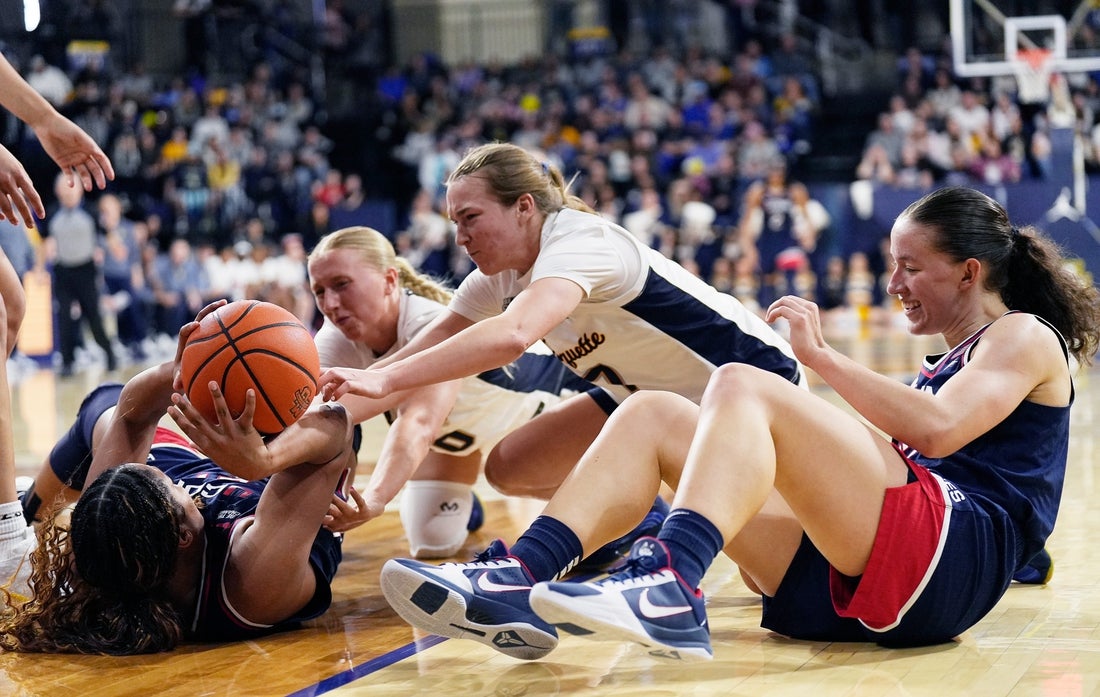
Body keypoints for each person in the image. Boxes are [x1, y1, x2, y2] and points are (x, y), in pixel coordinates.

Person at [375, 186, 1100, 662]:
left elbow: (939, 431)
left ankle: (670, 580)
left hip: (950, 563)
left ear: (970, 273)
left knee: (741, 380)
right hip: (879, 579)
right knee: (652, 410)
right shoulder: (953, 355)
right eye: (891, 265)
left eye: (909, 267)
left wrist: (818, 358)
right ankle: (521, 573)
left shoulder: (1024, 335)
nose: (893, 284)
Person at [318, 143, 805, 510]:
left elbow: (513, 335)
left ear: (524, 206)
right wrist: (285, 431)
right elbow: (418, 354)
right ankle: (632, 527)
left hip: (753, 385)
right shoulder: (496, 277)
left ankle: (638, 526)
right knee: (511, 467)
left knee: (773, 568)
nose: (461, 237)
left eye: (470, 218)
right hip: (646, 399)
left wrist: (382, 376)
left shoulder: (579, 239)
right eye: (454, 223)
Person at [1, 301, 353, 654]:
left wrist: (180, 372)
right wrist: (262, 461)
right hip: (288, 470)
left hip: (191, 477)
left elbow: (132, 415)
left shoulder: (104, 541)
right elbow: (337, 426)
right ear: (184, 534)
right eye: (169, 483)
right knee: (339, 390)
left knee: (106, 406)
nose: (168, 478)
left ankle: (23, 512)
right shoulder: (250, 582)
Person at [308, 225, 604, 559]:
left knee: (509, 475)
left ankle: (627, 507)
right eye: (319, 291)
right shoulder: (335, 338)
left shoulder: (428, 322)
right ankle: (468, 503)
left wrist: (374, 500)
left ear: (390, 280)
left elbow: (419, 424)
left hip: (544, 414)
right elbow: (316, 414)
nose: (330, 303)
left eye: (342, 284)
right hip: (458, 438)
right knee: (432, 543)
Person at [46, 172, 119, 376]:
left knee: (93, 316)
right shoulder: (52, 213)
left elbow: (106, 233)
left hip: (86, 270)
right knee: (65, 317)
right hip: (63, 271)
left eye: (71, 187)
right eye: (63, 187)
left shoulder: (90, 211)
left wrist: (115, 249)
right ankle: (68, 362)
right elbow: (45, 240)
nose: (67, 192)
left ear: (79, 189)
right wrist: (39, 264)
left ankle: (110, 353)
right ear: (57, 191)